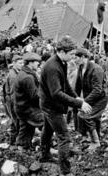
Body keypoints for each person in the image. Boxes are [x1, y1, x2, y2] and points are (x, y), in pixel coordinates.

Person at [39, 36, 92, 176]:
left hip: (48, 103)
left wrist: (76, 97)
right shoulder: (52, 67)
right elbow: (56, 93)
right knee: (64, 137)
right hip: (51, 106)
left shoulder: (61, 62)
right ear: (61, 51)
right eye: (71, 54)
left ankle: (44, 155)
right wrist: (79, 103)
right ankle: (65, 171)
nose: (73, 57)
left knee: (48, 130)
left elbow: (66, 85)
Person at [74, 48, 108, 151]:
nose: (75, 60)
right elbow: (78, 85)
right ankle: (93, 136)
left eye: (76, 58)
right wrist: (75, 99)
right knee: (94, 117)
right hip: (91, 97)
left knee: (85, 115)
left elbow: (98, 90)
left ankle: (95, 142)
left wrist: (84, 102)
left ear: (83, 57)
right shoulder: (81, 67)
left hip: (101, 98)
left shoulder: (96, 69)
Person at [14, 53, 44, 151]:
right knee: (45, 122)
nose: (38, 65)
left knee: (26, 128)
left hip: (21, 107)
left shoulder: (24, 73)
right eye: (36, 62)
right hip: (27, 108)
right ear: (30, 63)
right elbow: (35, 96)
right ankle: (46, 146)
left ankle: (23, 147)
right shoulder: (28, 77)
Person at [3, 55, 24, 145]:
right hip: (12, 101)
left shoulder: (15, 72)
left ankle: (13, 140)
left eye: (22, 63)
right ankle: (15, 141)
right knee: (16, 120)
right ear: (14, 63)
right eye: (19, 63)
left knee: (15, 120)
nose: (22, 65)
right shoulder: (13, 76)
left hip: (11, 99)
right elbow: (13, 92)